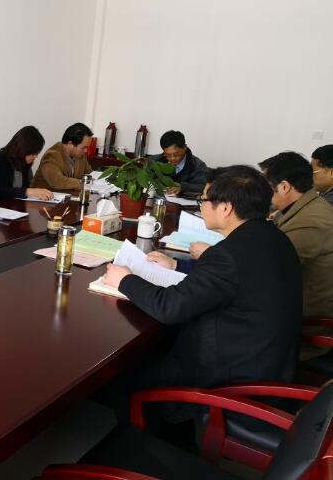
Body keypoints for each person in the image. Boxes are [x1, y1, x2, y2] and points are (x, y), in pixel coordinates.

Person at [102, 166, 302, 420]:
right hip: (268, 364)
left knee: (122, 376)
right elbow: (236, 278)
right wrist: (177, 265)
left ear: (226, 208)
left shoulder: (228, 254)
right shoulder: (274, 237)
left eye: (204, 200)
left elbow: (170, 308)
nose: (201, 207)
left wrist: (125, 280)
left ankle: (144, 436)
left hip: (232, 381)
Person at [258, 152, 333, 321]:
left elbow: (265, 269)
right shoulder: (306, 203)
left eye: (265, 187)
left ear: (284, 187)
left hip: (307, 319)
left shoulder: (310, 223)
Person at [0, 126, 53, 201]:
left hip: (17, 204)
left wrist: (35, 193)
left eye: (37, 152)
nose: (36, 156)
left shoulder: (24, 162)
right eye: (33, 152)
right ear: (22, 148)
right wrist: (27, 191)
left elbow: (24, 189)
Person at [30, 123, 93, 191]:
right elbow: (57, 181)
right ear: (70, 144)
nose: (86, 151)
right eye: (83, 148)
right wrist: (83, 183)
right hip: (41, 196)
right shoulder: (52, 155)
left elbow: (89, 174)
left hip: (68, 195)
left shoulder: (80, 155)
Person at [153, 130, 208, 195]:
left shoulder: (198, 166)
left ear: (185, 147)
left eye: (176, 154)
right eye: (168, 155)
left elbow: (203, 187)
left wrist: (183, 187)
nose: (172, 158)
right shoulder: (155, 161)